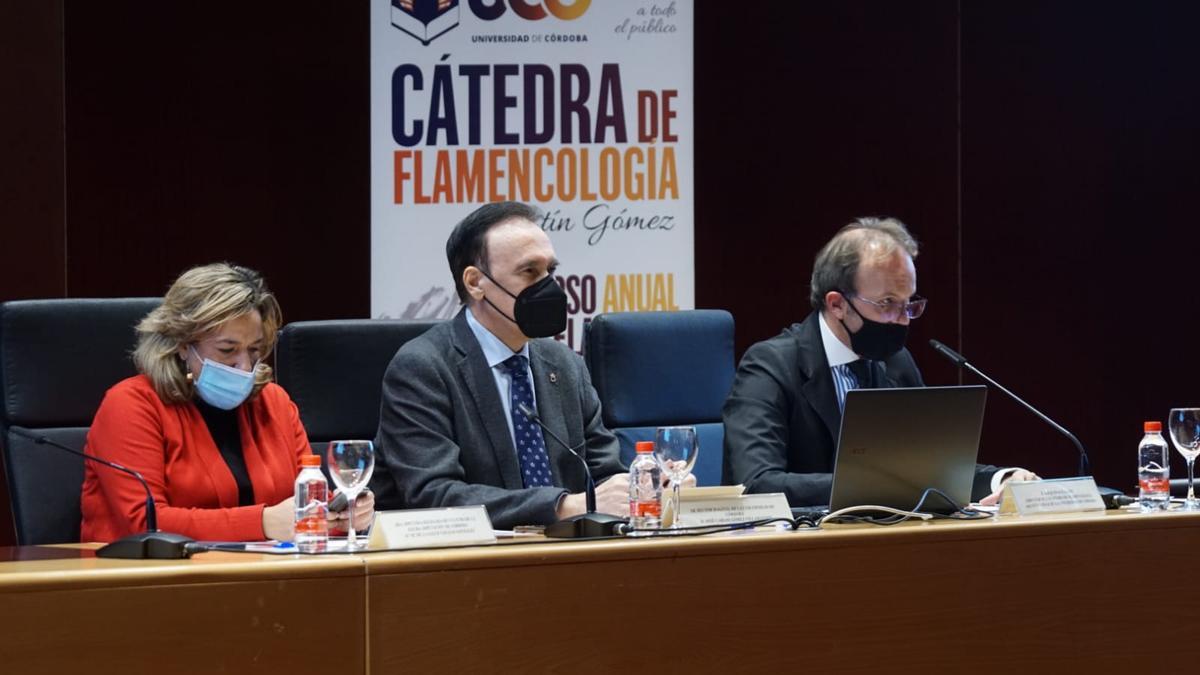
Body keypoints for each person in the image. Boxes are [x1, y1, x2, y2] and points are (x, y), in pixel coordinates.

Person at [371, 201, 672, 529]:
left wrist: (645, 488)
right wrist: (563, 506)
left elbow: (603, 473)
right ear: (475, 283)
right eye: (529, 271)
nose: (549, 287)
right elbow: (435, 496)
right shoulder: (422, 368)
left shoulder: (564, 364)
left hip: (570, 561)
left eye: (550, 271)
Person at [722, 217, 1035, 507]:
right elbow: (756, 484)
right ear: (837, 304)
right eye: (887, 303)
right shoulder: (769, 366)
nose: (903, 320)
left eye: (909, 303)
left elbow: (931, 470)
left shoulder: (895, 363)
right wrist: (875, 486)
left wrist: (1000, 479)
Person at [80, 263, 374, 542]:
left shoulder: (274, 403)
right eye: (227, 350)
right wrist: (263, 522)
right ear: (183, 344)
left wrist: (340, 518)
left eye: (254, 350)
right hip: (144, 585)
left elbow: (306, 509)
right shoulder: (131, 405)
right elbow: (145, 523)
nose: (244, 366)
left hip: (265, 580)